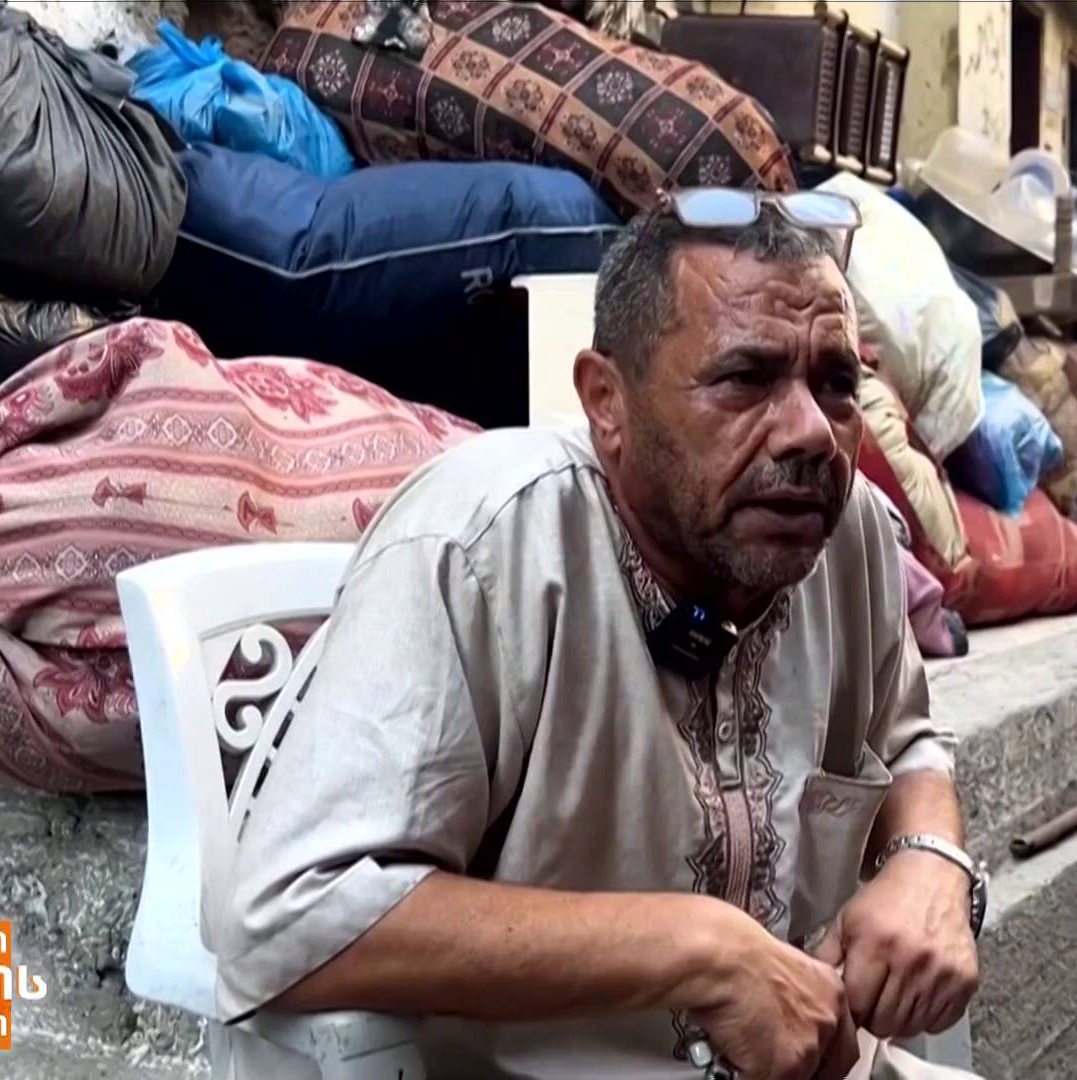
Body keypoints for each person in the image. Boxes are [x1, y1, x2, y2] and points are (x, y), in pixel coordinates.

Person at [214, 194, 986, 1080]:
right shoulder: (489, 546)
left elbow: (906, 738)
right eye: (746, 378)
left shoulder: (849, 534)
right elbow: (288, 917)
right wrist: (700, 950)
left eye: (836, 384)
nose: (812, 431)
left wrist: (929, 857)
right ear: (606, 402)